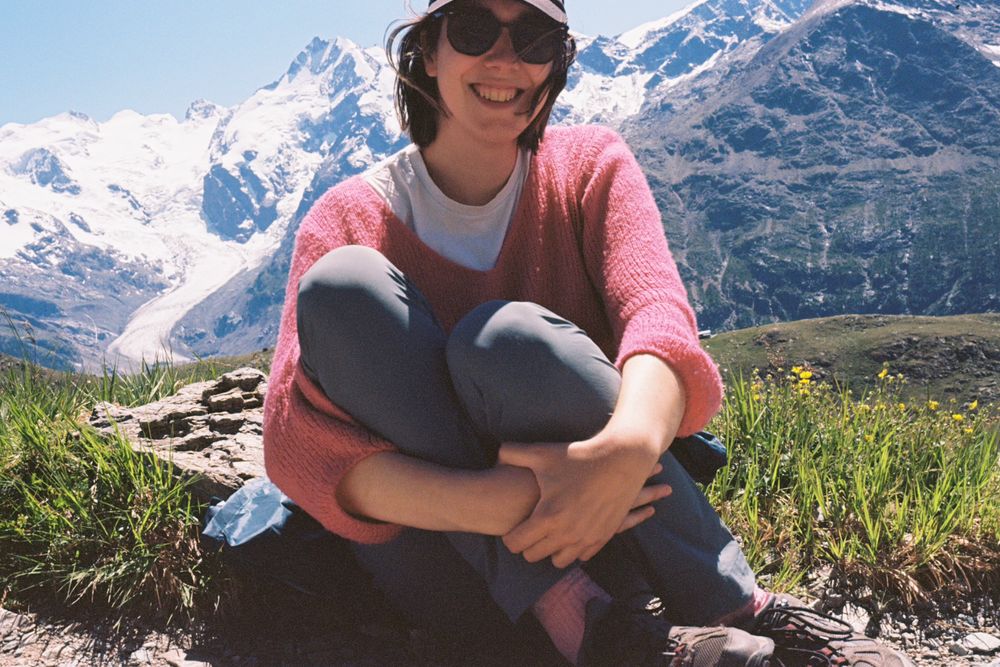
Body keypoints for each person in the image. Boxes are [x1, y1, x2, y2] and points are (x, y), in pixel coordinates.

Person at [262, 1, 914, 665]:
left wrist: (623, 453)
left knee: (507, 340)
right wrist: (499, 502)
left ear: (558, 61)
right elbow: (293, 446)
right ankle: (589, 624)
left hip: (601, 523)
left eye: (535, 37)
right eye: (475, 29)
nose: (506, 59)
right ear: (429, 52)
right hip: (451, 563)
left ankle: (730, 609)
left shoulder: (587, 166)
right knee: (343, 288)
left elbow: (657, 320)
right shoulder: (347, 219)